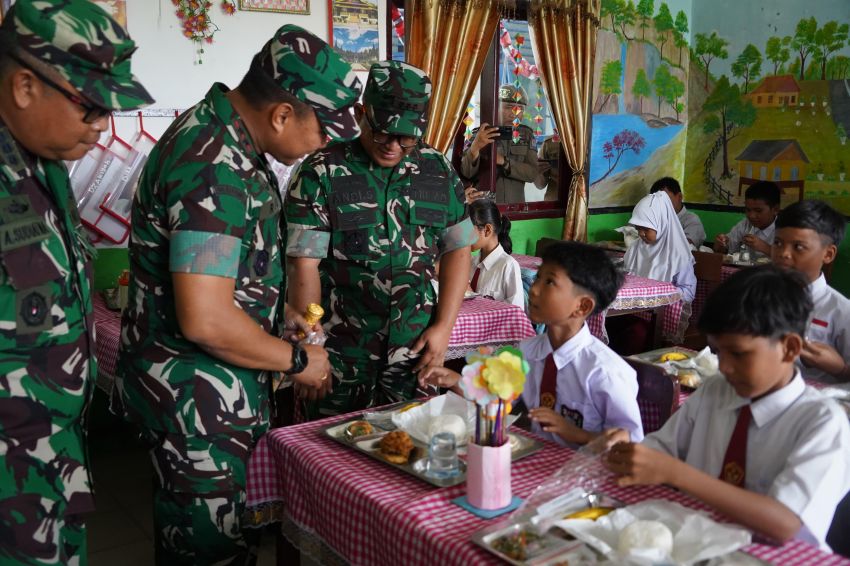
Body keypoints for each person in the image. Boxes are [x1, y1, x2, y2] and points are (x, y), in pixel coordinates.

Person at [112, 25, 357, 564]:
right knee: (208, 554)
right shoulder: (211, 165)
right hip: (195, 405)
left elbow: (228, 280)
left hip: (211, 398)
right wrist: (299, 361)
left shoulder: (228, 145)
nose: (324, 146)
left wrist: (280, 313)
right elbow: (205, 319)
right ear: (283, 114)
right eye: (323, 131)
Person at [0, 1, 152, 563]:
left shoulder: (43, 165)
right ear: (24, 86)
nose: (102, 127)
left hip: (49, 461)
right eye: (90, 108)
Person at [604, 265, 850, 550]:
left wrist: (676, 473)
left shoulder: (822, 422)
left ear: (790, 348)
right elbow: (663, 448)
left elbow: (784, 523)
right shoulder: (715, 390)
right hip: (697, 539)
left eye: (739, 353)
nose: (725, 367)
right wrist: (633, 451)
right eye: (719, 352)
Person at [285, 61, 475, 420]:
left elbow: (458, 249)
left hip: (415, 352)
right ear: (361, 114)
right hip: (341, 352)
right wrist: (311, 349)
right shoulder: (321, 171)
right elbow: (302, 265)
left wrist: (443, 328)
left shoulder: (436, 169)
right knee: (330, 455)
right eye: (383, 133)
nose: (393, 146)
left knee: (414, 450)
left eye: (407, 138)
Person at [421, 242, 643, 447]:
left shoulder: (604, 371)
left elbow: (629, 442)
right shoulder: (528, 351)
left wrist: (576, 434)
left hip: (586, 476)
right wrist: (455, 381)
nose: (534, 290)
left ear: (582, 306)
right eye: (538, 278)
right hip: (538, 464)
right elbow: (496, 397)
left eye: (550, 282)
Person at [772, 200, 850, 383]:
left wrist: (840, 369)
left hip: (818, 404)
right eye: (778, 243)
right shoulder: (759, 296)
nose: (784, 253)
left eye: (798, 247)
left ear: (828, 254)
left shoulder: (841, 311)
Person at [460, 84, 538, 203]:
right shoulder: (479, 134)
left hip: (515, 208)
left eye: (520, 109)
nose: (514, 114)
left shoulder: (526, 135)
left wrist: (504, 161)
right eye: (509, 107)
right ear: (496, 107)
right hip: (483, 208)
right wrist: (475, 148)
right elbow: (466, 173)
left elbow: (532, 174)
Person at [468, 198, 524, 308]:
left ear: (487, 230)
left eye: (468, 230)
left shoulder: (508, 266)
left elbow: (517, 313)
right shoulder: (471, 263)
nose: (464, 237)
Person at [714, 181, 781, 256]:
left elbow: (792, 261)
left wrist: (765, 248)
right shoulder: (745, 225)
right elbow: (726, 248)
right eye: (748, 210)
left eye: (758, 211)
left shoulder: (785, 229)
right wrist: (721, 244)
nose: (751, 216)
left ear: (775, 209)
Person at [648, 176, 705, 248]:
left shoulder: (691, 220)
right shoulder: (651, 217)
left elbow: (684, 247)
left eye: (666, 200)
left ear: (680, 197)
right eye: (657, 201)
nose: (661, 205)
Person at [534, 134, 561, 202]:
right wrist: (537, 172)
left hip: (580, 200)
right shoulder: (550, 143)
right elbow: (540, 185)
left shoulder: (586, 141)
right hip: (554, 201)